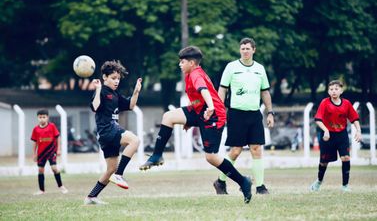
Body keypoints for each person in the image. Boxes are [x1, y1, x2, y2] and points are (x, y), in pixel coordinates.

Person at [139, 46, 252, 204]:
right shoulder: (190, 73)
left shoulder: (195, 74)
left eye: (182, 61)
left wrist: (211, 108)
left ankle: (243, 182)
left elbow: (204, 91)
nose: (180, 64)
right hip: (200, 110)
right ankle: (157, 155)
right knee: (169, 117)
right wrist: (189, 120)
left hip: (214, 115)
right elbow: (198, 100)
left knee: (211, 157)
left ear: (192, 63)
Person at [213, 37, 274, 195]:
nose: (245, 51)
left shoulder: (260, 69)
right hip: (236, 114)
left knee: (256, 149)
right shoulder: (231, 67)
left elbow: (265, 92)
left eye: (248, 48)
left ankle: (260, 187)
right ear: (240, 50)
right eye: (243, 49)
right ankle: (220, 182)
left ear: (254, 50)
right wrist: (219, 110)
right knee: (235, 151)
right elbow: (222, 89)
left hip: (254, 115)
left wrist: (270, 112)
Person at [84, 60, 142, 205]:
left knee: (110, 169)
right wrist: (97, 89)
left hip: (108, 134)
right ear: (105, 77)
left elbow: (130, 105)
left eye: (118, 79)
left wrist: (136, 92)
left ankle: (91, 197)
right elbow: (95, 107)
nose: (116, 81)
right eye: (113, 78)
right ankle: (119, 175)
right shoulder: (102, 91)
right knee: (134, 141)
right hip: (108, 129)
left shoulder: (115, 94)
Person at [310, 80, 361, 192]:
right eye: (331, 89)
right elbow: (318, 120)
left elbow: (354, 118)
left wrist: (358, 130)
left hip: (341, 135)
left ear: (341, 91)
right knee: (324, 162)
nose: (334, 91)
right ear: (328, 92)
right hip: (328, 136)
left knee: (346, 157)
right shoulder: (325, 102)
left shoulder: (346, 103)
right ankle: (318, 182)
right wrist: (326, 130)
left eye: (336, 89)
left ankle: (345, 186)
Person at [31, 109, 68, 195]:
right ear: (37, 118)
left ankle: (61, 186)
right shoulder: (36, 129)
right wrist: (34, 154)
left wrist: (59, 149)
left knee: (54, 168)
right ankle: (41, 190)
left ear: (47, 118)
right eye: (40, 117)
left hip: (51, 151)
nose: (42, 119)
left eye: (44, 117)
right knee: (40, 170)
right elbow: (34, 142)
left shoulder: (52, 126)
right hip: (41, 153)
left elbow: (58, 137)